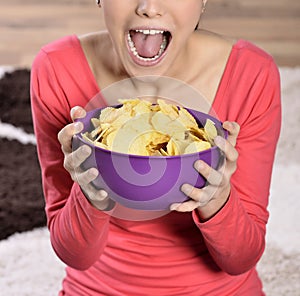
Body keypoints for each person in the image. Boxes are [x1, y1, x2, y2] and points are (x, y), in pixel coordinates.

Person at [30, 0, 281, 295]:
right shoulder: (57, 68)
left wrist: (217, 199)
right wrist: (90, 192)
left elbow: (241, 259)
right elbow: (74, 255)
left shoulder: (251, 74)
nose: (149, 7)